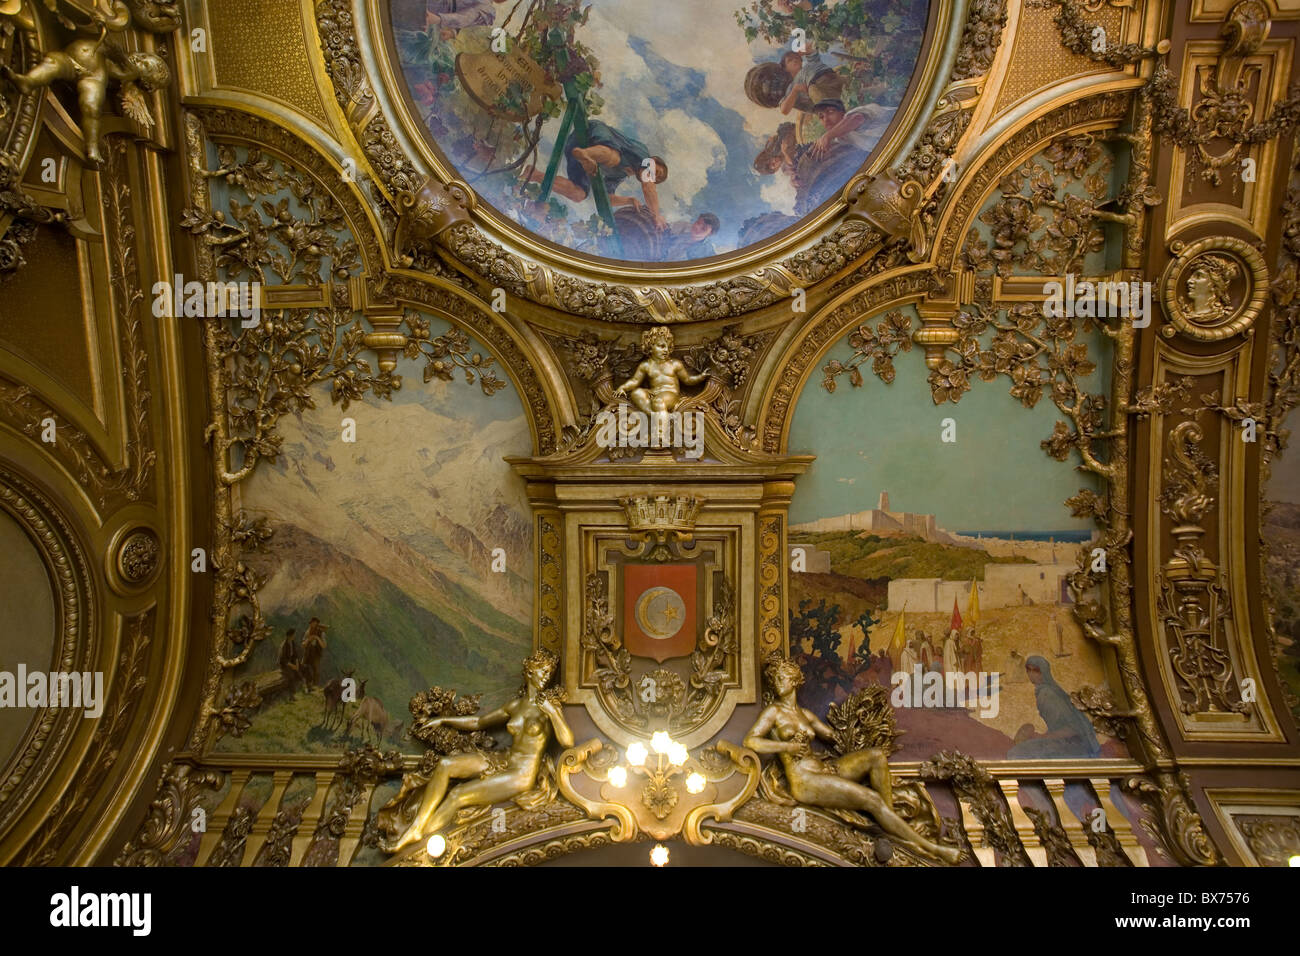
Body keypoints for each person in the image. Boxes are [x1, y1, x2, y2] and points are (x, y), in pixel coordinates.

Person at [744, 654, 961, 863]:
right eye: (774, 679)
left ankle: (889, 819)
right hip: (804, 779)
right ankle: (933, 848)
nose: (776, 683)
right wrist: (787, 745)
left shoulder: (805, 714)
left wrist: (860, 715)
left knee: (876, 756)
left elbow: (833, 736)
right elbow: (750, 742)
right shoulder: (773, 712)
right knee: (872, 800)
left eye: (781, 678)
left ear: (793, 681)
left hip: (824, 768)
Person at [379, 649, 573, 853]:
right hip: (503, 759)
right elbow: (479, 721)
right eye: (542, 671)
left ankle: (417, 835)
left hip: (520, 774)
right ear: (529, 672)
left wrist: (552, 712)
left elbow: (567, 741)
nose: (546, 677)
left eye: (549, 673)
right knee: (445, 765)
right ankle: (416, 826)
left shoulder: (550, 707)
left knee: (458, 795)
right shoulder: (516, 706)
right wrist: (444, 720)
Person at [527, 120, 668, 228]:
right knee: (614, 158)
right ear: (653, 161)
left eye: (656, 178)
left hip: (576, 151)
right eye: (656, 172)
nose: (653, 177)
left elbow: (606, 198)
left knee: (578, 194)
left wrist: (629, 200)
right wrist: (656, 215)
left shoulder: (619, 175)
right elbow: (648, 187)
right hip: (590, 133)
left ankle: (532, 174)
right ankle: (586, 154)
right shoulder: (643, 154)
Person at [1006, 656, 1102, 759]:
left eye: (1036, 670)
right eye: (1028, 670)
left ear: (1044, 671)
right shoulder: (1046, 691)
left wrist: (1044, 737)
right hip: (1063, 741)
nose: (1031, 674)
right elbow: (1057, 726)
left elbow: (1073, 729)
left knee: (1016, 754)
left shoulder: (1048, 694)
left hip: (1076, 746)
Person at [615, 325, 708, 415]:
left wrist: (701, 377)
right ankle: (657, 416)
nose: (666, 350)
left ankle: (660, 430)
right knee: (636, 393)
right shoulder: (646, 365)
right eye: (661, 346)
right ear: (650, 347)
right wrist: (623, 387)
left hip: (671, 395)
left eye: (668, 347)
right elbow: (635, 381)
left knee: (659, 401)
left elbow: (687, 380)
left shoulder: (674, 364)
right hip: (654, 394)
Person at [808, 99, 892, 159]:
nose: (825, 119)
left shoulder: (855, 113)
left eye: (830, 112)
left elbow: (857, 118)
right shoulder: (842, 138)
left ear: (842, 112)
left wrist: (827, 136)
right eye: (821, 117)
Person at [300, 618, 327, 688]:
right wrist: (308, 640)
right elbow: (303, 645)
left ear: (317, 624)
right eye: (312, 623)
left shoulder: (321, 633)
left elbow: (324, 646)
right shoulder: (307, 632)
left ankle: (315, 686)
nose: (313, 625)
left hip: (316, 654)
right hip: (308, 653)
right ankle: (306, 684)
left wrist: (317, 638)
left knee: (315, 670)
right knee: (303, 667)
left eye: (315, 623)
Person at [278, 628, 302, 693]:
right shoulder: (284, 645)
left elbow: (295, 655)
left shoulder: (292, 642)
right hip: (284, 664)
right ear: (289, 636)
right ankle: (291, 695)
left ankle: (303, 688)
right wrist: (293, 666)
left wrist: (297, 664)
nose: (294, 636)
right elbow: (283, 660)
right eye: (293, 635)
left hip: (291, 661)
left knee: (302, 668)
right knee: (291, 676)